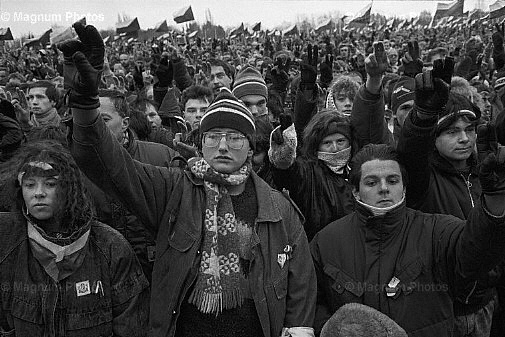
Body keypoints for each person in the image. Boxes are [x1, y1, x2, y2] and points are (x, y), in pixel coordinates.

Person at [61, 23, 316, 337]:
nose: (223, 146)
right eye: (213, 137)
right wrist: (85, 105)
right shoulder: (173, 190)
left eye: (235, 138)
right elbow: (109, 166)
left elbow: (300, 284)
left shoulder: (278, 208)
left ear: (251, 148)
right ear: (200, 143)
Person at [311, 142, 505, 336]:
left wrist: (495, 200)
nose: (384, 188)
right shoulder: (325, 242)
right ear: (355, 191)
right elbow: (313, 303)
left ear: (404, 187)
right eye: (371, 182)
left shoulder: (436, 231)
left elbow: (477, 250)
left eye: (393, 180)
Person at [0, 140, 150, 336]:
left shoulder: (111, 247)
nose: (38, 193)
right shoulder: (7, 240)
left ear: (69, 188)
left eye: (50, 184)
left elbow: (131, 327)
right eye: (29, 184)